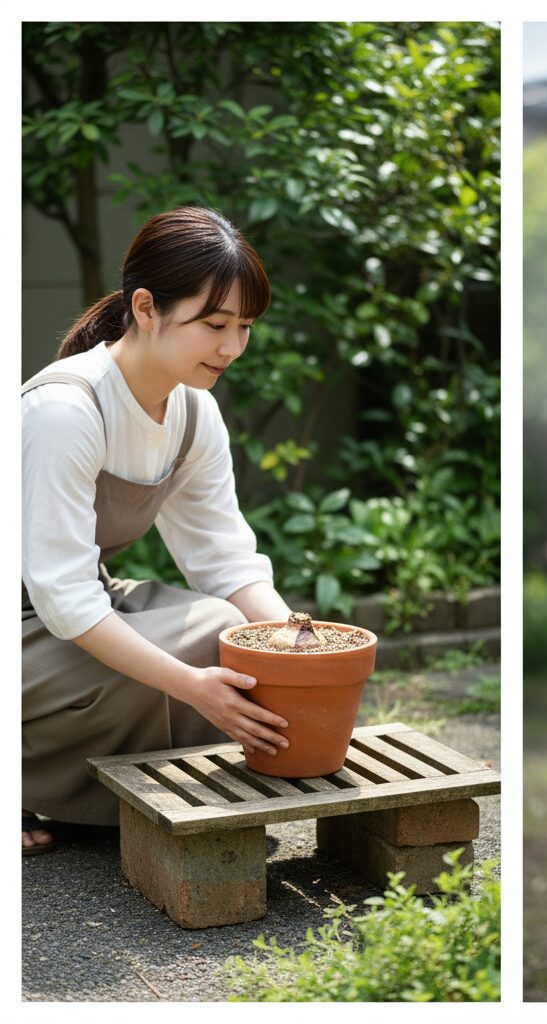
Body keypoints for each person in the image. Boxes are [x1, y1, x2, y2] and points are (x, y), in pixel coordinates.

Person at [22, 206, 296, 855]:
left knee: (223, 635)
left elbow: (224, 558)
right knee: (152, 673)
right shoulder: (65, 411)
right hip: (34, 619)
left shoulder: (193, 412)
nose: (232, 347)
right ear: (146, 308)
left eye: (245, 327)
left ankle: (141, 796)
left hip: (67, 608)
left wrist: (294, 648)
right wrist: (188, 684)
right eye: (215, 323)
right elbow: (62, 595)